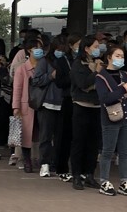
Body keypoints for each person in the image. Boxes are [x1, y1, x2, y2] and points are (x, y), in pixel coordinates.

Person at [95, 45, 127, 197]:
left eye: (122, 56)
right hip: (110, 117)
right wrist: (123, 90)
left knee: (125, 152)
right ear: (109, 57)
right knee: (108, 151)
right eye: (117, 55)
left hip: (126, 116)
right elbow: (105, 98)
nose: (121, 58)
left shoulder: (125, 74)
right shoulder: (101, 77)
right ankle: (104, 180)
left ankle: (124, 181)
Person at [70, 35, 104, 190]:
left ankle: (89, 173)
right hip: (82, 106)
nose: (98, 49)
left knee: (93, 143)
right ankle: (76, 175)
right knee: (79, 141)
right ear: (86, 49)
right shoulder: (78, 64)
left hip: (96, 107)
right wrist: (96, 73)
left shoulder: (98, 63)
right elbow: (83, 84)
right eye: (95, 46)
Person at [32, 38, 65, 178]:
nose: (61, 53)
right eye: (58, 49)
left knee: (60, 136)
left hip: (63, 103)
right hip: (47, 103)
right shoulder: (44, 61)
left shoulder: (68, 62)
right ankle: (44, 163)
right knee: (45, 135)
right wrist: (50, 76)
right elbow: (36, 80)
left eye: (63, 50)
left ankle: (56, 163)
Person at [12, 37, 42, 173]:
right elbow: (17, 89)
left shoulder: (44, 66)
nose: (40, 51)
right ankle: (26, 160)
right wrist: (16, 107)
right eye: (37, 48)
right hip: (26, 106)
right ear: (30, 50)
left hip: (41, 105)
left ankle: (37, 159)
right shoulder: (22, 69)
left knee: (38, 133)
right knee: (25, 135)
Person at [53, 35, 76, 182]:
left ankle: (79, 169)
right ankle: (61, 167)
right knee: (64, 135)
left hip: (82, 101)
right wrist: (74, 77)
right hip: (67, 100)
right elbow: (60, 82)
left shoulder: (85, 61)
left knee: (78, 137)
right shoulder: (63, 61)